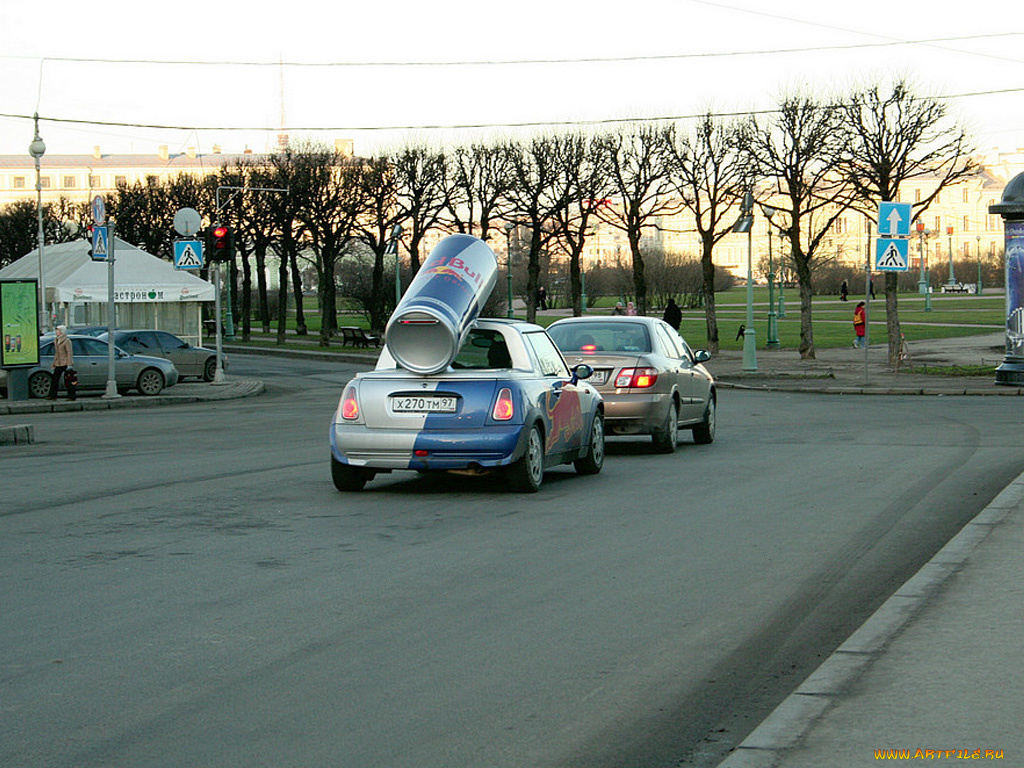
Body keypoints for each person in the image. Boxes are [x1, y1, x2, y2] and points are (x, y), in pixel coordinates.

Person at [49, 325, 76, 400]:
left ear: (62, 331)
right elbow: (56, 353)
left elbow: (69, 352)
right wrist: (54, 363)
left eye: (58, 330)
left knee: (68, 379)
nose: (56, 332)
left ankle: (71, 396)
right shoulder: (56, 340)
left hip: (65, 363)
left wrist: (69, 364)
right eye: (56, 330)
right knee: (55, 379)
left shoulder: (67, 341)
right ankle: (53, 395)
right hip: (58, 363)